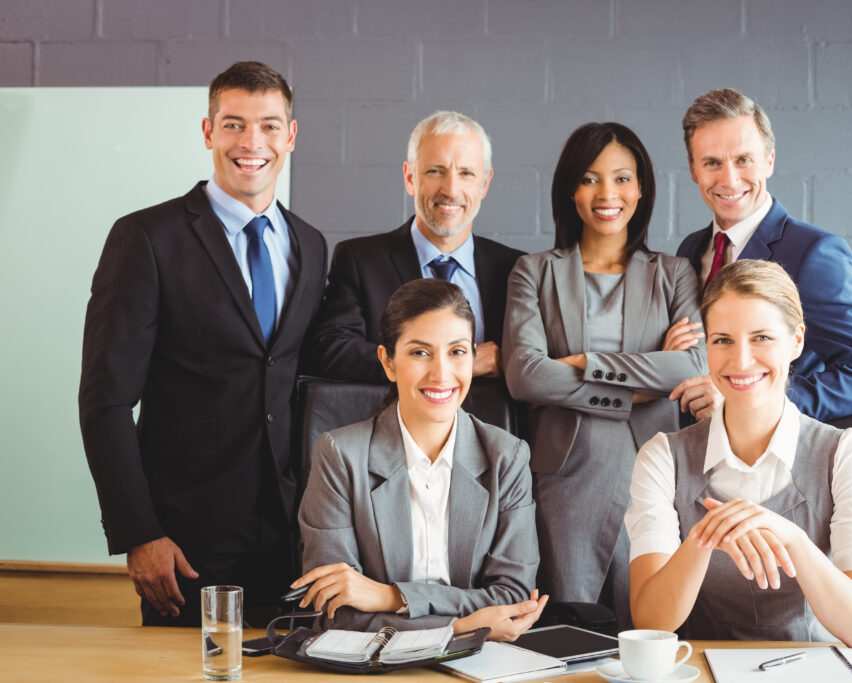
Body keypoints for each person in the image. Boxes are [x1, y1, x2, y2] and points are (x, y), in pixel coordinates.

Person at [78, 61, 328, 627]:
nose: (251, 143)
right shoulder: (146, 238)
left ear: (290, 135)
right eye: (234, 124)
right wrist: (140, 533)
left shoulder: (311, 245)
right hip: (186, 547)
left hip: (293, 541)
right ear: (208, 132)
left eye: (268, 125)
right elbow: (105, 404)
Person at [502, 122, 707, 628]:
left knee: (650, 626)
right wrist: (638, 384)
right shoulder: (534, 271)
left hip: (654, 468)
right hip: (567, 478)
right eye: (590, 179)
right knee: (570, 629)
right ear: (570, 190)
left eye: (622, 178)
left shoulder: (674, 273)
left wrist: (585, 362)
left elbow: (693, 367)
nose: (607, 194)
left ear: (641, 188)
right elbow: (526, 375)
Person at [627, 259, 852, 647]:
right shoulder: (662, 457)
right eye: (722, 340)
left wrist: (793, 539)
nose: (741, 361)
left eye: (762, 338)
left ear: (796, 341)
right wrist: (705, 536)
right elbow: (651, 621)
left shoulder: (847, 454)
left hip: (815, 670)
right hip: (703, 671)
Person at [294, 279, 545, 639]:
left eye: (457, 352)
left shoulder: (507, 456)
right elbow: (339, 612)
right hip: (376, 667)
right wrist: (460, 627)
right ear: (388, 363)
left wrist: (391, 597)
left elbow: (513, 600)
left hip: (482, 665)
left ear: (473, 357)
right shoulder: (340, 456)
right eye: (420, 352)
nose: (441, 374)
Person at [671, 88, 852, 423]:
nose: (729, 179)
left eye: (744, 160)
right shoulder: (690, 250)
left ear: (769, 160)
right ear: (693, 169)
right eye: (713, 163)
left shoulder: (814, 253)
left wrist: (749, 399)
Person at [304, 111, 523, 383]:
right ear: (410, 177)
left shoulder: (515, 269)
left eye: (466, 173)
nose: (451, 189)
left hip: (489, 425)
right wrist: (462, 361)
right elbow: (331, 351)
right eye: (435, 171)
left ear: (484, 184)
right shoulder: (360, 260)